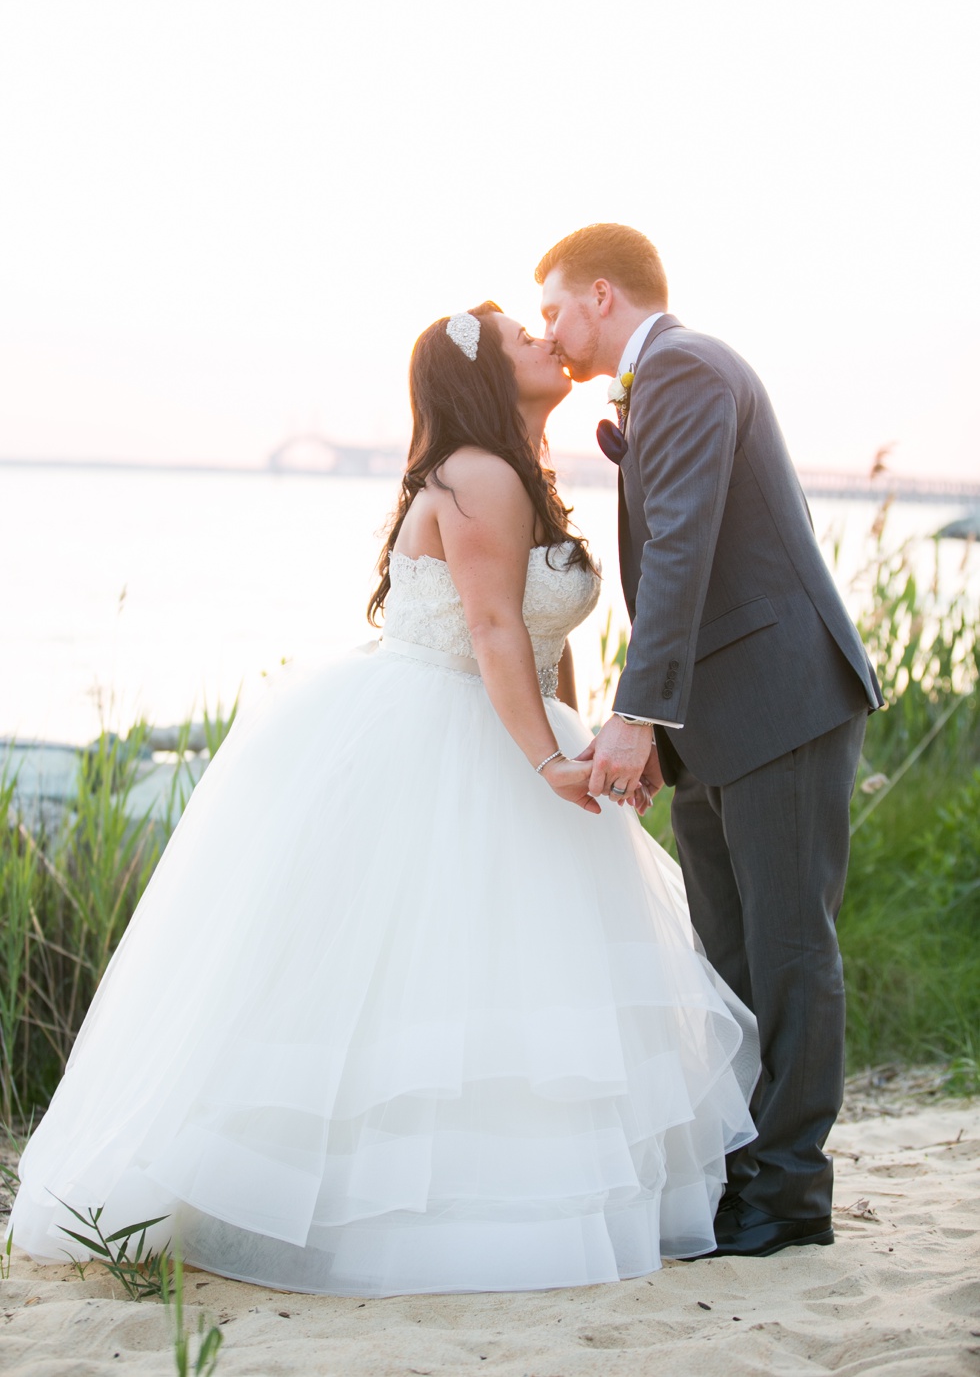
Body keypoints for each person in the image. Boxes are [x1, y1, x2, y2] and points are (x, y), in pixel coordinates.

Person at [9, 302, 758, 1296]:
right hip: (443, 726)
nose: (543, 339)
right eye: (519, 338)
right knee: (422, 968)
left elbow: (538, 644)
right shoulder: (479, 475)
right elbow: (492, 632)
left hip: (513, 722)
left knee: (512, 978)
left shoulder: (516, 469)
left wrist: (587, 740)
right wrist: (545, 764)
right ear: (483, 376)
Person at [536, 226, 883, 1258]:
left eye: (551, 306)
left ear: (600, 294)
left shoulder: (683, 366)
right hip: (716, 720)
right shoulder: (664, 378)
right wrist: (654, 720)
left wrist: (633, 714)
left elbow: (680, 544)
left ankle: (786, 1192)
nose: (549, 330)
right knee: (727, 962)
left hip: (776, 703)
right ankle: (746, 1169)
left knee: (784, 954)